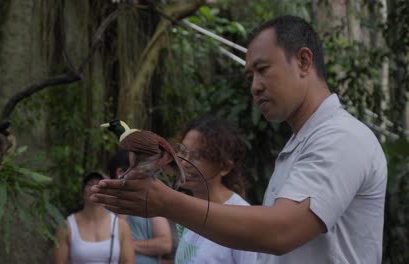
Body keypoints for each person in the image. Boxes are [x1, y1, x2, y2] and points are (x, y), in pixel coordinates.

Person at [91, 15, 387, 264]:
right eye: (250, 77)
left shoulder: (341, 137)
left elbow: (280, 232)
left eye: (263, 70)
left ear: (303, 61)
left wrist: (167, 202)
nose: (255, 87)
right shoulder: (299, 145)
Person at [173, 115, 257, 263]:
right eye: (182, 152)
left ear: (224, 167)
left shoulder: (241, 218)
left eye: (197, 156)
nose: (184, 163)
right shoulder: (188, 211)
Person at [53, 171, 134, 264]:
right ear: (82, 192)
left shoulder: (121, 226)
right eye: (90, 184)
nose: (94, 188)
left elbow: (128, 261)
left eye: (100, 185)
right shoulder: (66, 226)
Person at [108, 150, 173, 264]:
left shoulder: (151, 201)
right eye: (138, 169)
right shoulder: (102, 205)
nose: (144, 174)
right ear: (120, 172)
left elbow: (165, 244)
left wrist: (128, 244)